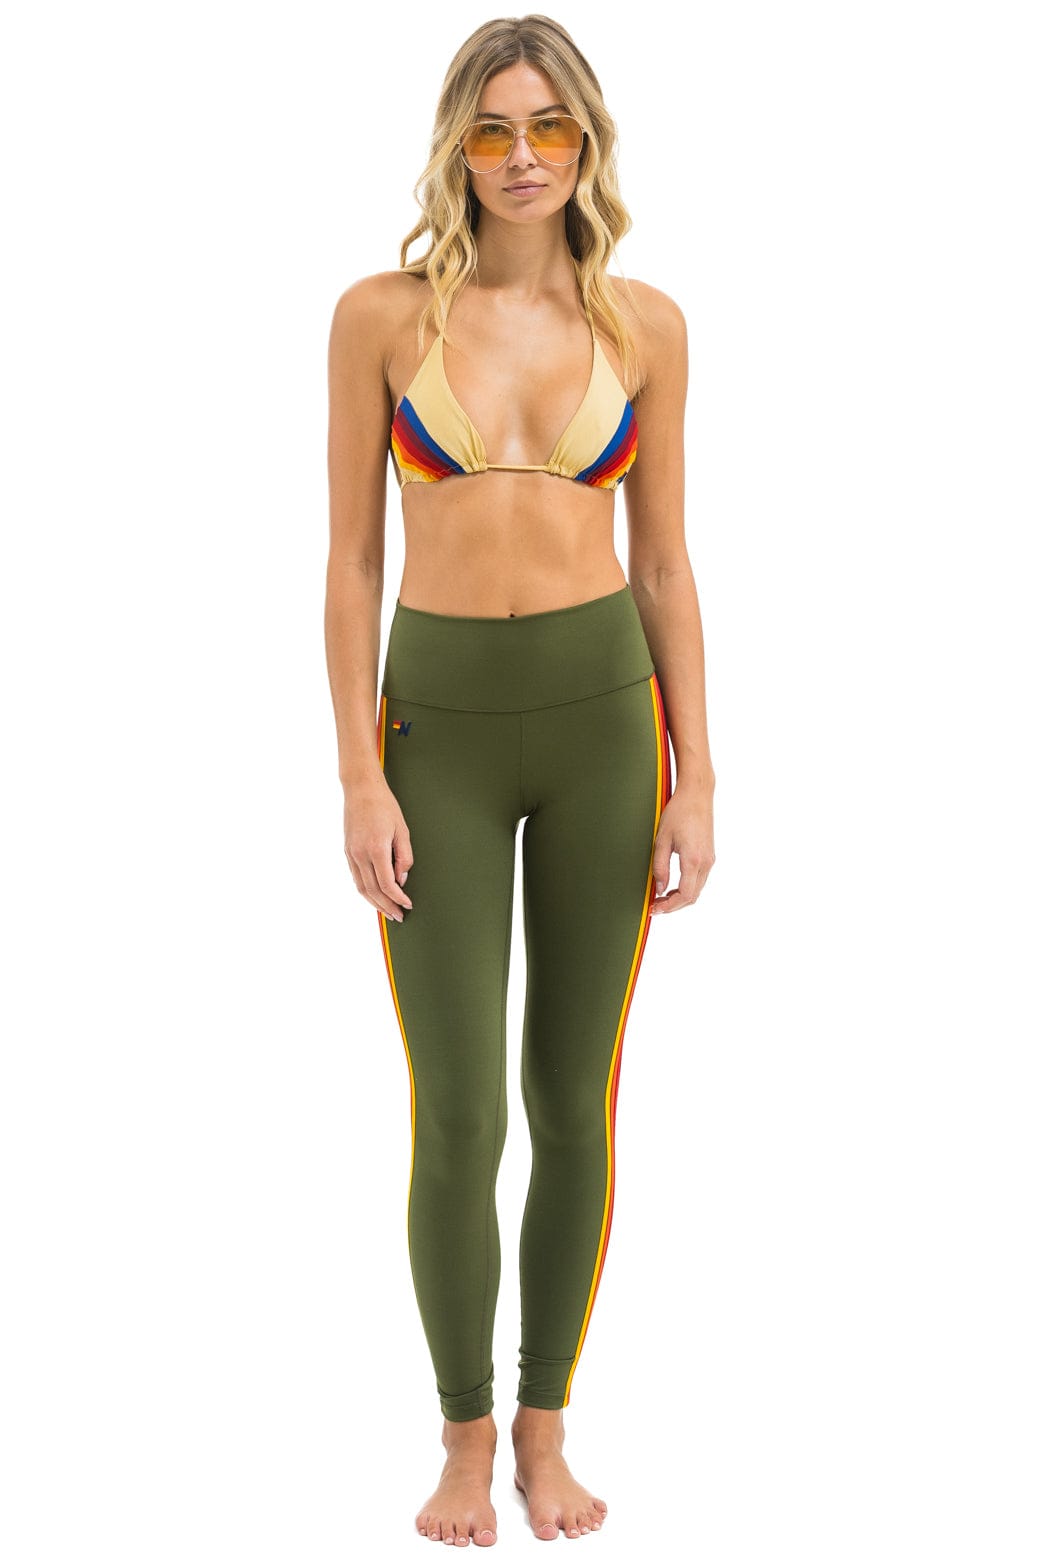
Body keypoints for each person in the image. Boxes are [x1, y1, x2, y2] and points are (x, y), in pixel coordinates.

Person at [324, 13, 715, 1546]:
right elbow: (351, 565)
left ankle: (546, 1431)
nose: (524, 157)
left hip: (607, 727)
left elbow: (666, 565)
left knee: (574, 1098)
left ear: (588, 142)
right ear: (457, 149)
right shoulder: (379, 318)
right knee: (459, 1115)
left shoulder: (647, 327)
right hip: (438, 736)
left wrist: (698, 776)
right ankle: (462, 1441)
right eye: (493, 130)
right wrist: (357, 774)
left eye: (551, 127)